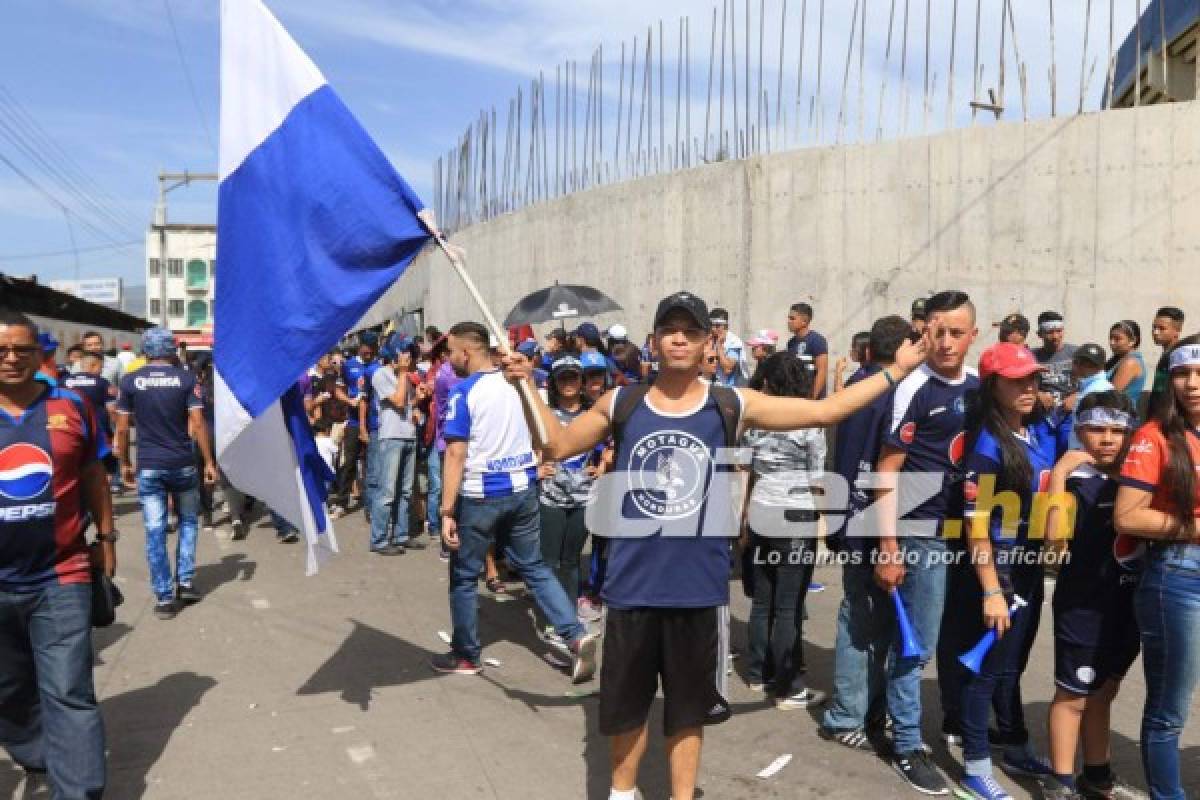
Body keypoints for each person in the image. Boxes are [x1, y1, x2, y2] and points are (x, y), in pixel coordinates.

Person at [504, 290, 926, 800]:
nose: (679, 338)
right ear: (655, 340)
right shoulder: (623, 401)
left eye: (691, 330)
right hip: (631, 589)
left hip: (699, 592)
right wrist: (525, 385)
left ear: (708, 342)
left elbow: (830, 410)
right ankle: (621, 793)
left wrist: (895, 371)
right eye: (669, 329)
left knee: (687, 711)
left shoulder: (730, 402)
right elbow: (555, 444)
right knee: (625, 708)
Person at [432, 322, 600, 682]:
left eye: (450, 352)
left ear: (466, 351)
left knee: (463, 577)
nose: (449, 360)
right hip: (523, 489)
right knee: (534, 566)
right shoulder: (522, 384)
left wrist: (446, 510)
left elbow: (456, 453)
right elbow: (542, 430)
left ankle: (466, 654)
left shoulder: (466, 392)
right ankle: (574, 634)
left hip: (481, 494)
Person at [0, 310, 114, 799]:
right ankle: (35, 752)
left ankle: (78, 791)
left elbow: (93, 475)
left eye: (22, 350)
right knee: (9, 691)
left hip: (62, 574)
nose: (11, 359)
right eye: (2, 351)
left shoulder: (71, 406)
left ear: (38, 353)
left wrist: (106, 541)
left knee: (69, 691)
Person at [951, 342, 1070, 800]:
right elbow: (975, 524)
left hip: (1027, 568)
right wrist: (990, 591)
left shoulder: (1036, 432)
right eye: (1016, 379)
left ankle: (1015, 745)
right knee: (987, 669)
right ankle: (976, 767)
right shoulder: (987, 444)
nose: (1028, 386)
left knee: (1012, 666)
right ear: (992, 384)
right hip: (997, 571)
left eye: (1032, 378)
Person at [873, 289, 980, 795]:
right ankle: (907, 743)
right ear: (925, 331)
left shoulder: (982, 388)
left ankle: (959, 728)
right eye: (937, 330)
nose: (945, 341)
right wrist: (888, 545)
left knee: (957, 639)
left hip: (968, 534)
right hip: (922, 534)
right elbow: (887, 470)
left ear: (973, 336)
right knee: (915, 645)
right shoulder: (914, 386)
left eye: (956, 331)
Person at [1041, 392, 1141, 800]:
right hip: (1083, 606)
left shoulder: (1138, 479)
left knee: (1104, 692)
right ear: (1080, 430)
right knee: (1074, 695)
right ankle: (1060, 780)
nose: (1107, 439)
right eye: (1097, 429)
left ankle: (1096, 775)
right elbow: (1052, 544)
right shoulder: (1074, 481)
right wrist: (1061, 475)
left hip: (1128, 607)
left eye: (1118, 431)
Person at [820, 315, 911, 750]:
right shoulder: (893, 395)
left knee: (870, 618)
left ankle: (867, 709)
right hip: (875, 522)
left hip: (853, 515)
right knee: (862, 619)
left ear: (870, 351)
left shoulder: (856, 388)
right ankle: (846, 715)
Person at [1115, 335, 1200, 800]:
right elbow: (1129, 516)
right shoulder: (1155, 437)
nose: (1192, 384)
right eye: (1183, 374)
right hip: (1178, 578)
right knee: (1170, 710)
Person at [740, 352, 827, 710]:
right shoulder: (809, 420)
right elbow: (818, 479)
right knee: (789, 605)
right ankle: (788, 686)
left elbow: (744, 471)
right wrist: (822, 531)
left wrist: (741, 520)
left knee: (763, 600)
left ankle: (758, 674)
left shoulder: (755, 419)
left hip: (760, 510)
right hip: (796, 514)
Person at [115, 327, 218, 619]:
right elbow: (197, 423)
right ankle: (184, 582)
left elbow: (122, 428)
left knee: (155, 531)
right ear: (172, 351)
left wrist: (124, 462)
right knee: (188, 521)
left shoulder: (130, 382)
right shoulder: (186, 379)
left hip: (149, 465)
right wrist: (209, 462)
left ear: (145, 351)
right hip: (182, 463)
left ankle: (163, 597)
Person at [537, 357, 596, 611]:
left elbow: (612, 446)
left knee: (571, 561)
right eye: (563, 377)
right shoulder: (544, 414)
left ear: (582, 381)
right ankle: (552, 617)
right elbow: (527, 444)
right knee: (549, 561)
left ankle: (569, 614)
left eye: (573, 377)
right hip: (550, 497)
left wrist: (604, 465)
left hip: (583, 497)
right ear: (554, 382)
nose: (569, 383)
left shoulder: (594, 415)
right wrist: (535, 469)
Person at [367, 337, 422, 555]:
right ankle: (379, 539)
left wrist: (417, 403)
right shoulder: (381, 375)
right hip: (391, 437)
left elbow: (407, 403)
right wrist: (402, 373)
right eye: (404, 351)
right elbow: (398, 402)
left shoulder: (405, 376)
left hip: (408, 435)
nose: (408, 355)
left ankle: (401, 535)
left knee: (406, 491)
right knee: (387, 491)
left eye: (410, 351)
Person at [331, 337, 375, 513]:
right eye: (366, 349)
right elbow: (338, 391)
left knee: (372, 463)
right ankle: (341, 502)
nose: (369, 353)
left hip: (373, 422)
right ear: (360, 347)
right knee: (348, 462)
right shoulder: (348, 366)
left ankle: (371, 502)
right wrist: (350, 401)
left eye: (372, 349)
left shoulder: (377, 365)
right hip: (354, 422)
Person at [1032, 311, 1078, 408]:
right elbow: (1022, 385)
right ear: (1039, 334)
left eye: (1059, 331)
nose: (1055, 336)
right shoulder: (1031, 356)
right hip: (1042, 414)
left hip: (1072, 413)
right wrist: (1038, 394)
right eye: (1049, 332)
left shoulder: (1077, 353)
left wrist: (1076, 396)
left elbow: (1092, 381)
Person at [785, 302, 829, 399]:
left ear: (804, 321)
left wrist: (812, 398)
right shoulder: (791, 343)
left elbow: (822, 371)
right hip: (797, 398)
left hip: (812, 401)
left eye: (792, 318)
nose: (788, 321)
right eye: (788, 318)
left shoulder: (817, 340)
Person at [1148, 306, 1185, 418]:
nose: (1155, 332)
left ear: (1177, 331)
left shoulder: (1177, 356)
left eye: (1162, 328)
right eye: (1154, 327)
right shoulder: (1166, 354)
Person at [1106, 321, 1146, 412]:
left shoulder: (1130, 363)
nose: (1111, 342)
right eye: (1110, 338)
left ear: (1133, 341)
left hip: (1120, 418)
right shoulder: (1118, 360)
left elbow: (1110, 395)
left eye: (1117, 339)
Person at [708, 307, 748, 387]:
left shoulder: (734, 342)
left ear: (725, 326)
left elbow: (727, 369)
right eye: (711, 325)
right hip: (712, 386)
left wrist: (719, 346)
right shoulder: (710, 339)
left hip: (729, 389)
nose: (713, 329)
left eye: (717, 326)